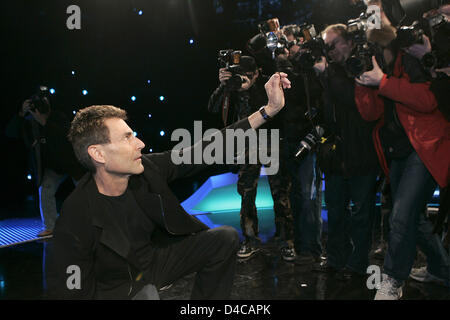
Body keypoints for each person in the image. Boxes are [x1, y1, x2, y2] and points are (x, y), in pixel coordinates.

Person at [48, 73, 291, 299]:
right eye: (126, 138)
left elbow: (207, 149)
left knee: (223, 238)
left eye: (133, 135)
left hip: (155, 262)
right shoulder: (76, 215)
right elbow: (71, 291)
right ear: (98, 154)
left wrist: (268, 111)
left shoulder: (148, 168)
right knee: (147, 295)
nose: (140, 144)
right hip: (118, 287)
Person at [354, 4, 450, 299]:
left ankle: (393, 282)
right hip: (397, 148)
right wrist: (363, 81)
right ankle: (441, 269)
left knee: (402, 215)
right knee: (412, 218)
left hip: (425, 144)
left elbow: (427, 101)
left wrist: (381, 82)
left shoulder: (412, 54)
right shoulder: (376, 61)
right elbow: (370, 114)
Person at [208, 56, 297, 261]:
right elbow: (212, 108)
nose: (243, 80)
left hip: (272, 141)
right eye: (241, 75)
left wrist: (251, 89)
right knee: (246, 193)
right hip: (246, 144)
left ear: (257, 72)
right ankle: (250, 240)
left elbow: (278, 110)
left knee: (280, 193)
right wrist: (223, 87)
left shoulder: (268, 83)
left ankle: (287, 241)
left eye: (248, 76)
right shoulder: (232, 86)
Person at [312, 24, 380, 278]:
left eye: (333, 45)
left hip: (362, 151)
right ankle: (336, 258)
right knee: (336, 211)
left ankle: (358, 263)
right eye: (326, 47)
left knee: (361, 213)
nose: (329, 52)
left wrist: (326, 73)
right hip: (335, 152)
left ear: (349, 43)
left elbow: (352, 99)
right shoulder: (326, 72)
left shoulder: (361, 65)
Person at [6, 87, 85, 237]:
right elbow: (10, 133)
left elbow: (65, 138)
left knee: (86, 191)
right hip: (52, 167)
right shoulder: (29, 122)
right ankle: (50, 227)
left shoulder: (58, 117)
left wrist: (44, 122)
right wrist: (21, 114)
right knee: (45, 189)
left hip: (72, 163)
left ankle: (94, 222)